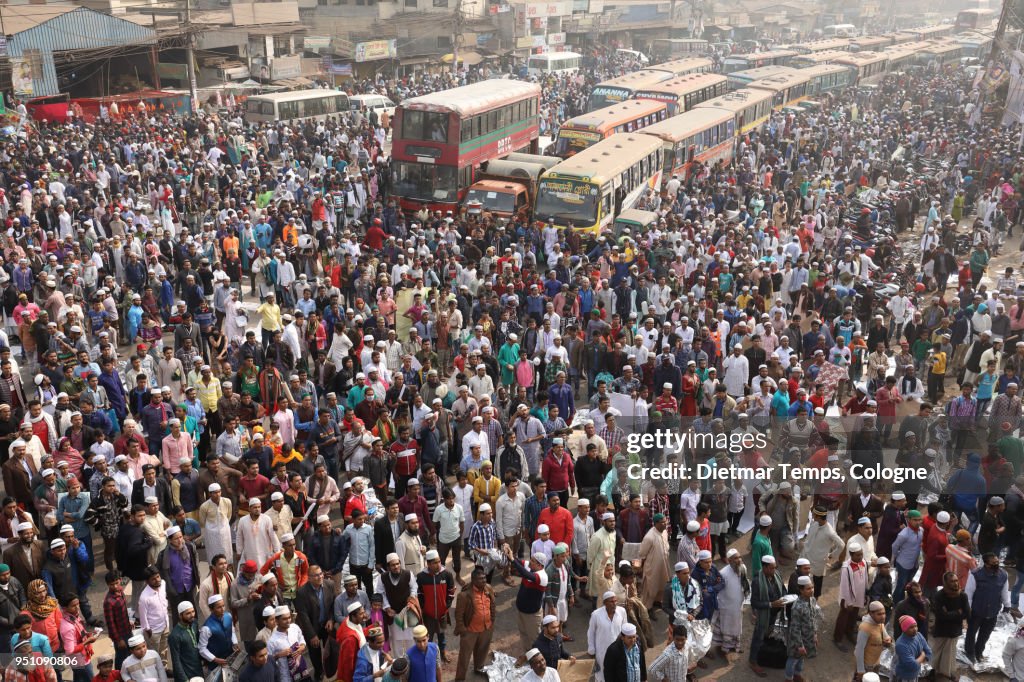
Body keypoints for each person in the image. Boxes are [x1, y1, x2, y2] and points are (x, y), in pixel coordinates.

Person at [452, 569, 494, 681]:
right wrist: (463, 631)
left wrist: (491, 622)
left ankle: (478, 668)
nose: (484, 580)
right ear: (473, 580)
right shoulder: (464, 595)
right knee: (464, 657)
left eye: (485, 578)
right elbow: (458, 615)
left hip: (486, 628)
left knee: (482, 651)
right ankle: (460, 678)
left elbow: (492, 605)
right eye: (481, 579)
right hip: (470, 631)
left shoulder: (488, 588)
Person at [586, 591, 627, 682]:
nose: (614, 604)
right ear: (604, 603)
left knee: (617, 672)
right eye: (611, 602)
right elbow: (591, 633)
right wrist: (591, 650)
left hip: (618, 650)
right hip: (602, 651)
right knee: (601, 675)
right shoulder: (596, 615)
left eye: (615, 601)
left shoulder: (622, 611)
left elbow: (625, 629)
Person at [787, 575, 818, 682]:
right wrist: (800, 645)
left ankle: (797, 675)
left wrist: (814, 634)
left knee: (801, 659)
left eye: (812, 587)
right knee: (793, 659)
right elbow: (795, 628)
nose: (812, 590)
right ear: (801, 590)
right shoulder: (797, 607)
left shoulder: (812, 600)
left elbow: (813, 617)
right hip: (797, 640)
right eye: (808, 589)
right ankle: (788, 678)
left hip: (807, 637)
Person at [167, 601, 203, 682]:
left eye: (193, 611)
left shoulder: (194, 623)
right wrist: (184, 679)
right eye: (188, 613)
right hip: (186, 674)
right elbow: (176, 661)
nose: (192, 615)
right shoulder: (175, 636)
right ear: (180, 615)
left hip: (198, 671)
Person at [893, 615, 932, 682]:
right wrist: (922, 655)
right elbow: (912, 665)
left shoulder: (919, 635)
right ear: (904, 629)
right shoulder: (901, 644)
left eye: (915, 626)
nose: (915, 629)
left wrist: (918, 661)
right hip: (904, 676)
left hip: (915, 673)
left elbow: (929, 652)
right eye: (911, 627)